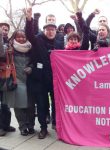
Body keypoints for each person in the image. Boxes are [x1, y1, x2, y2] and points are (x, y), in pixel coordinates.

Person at [25, 7, 64, 139]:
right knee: (41, 104)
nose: (50, 31)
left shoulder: (60, 41)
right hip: (40, 79)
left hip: (55, 79)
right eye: (48, 29)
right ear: (44, 30)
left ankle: (56, 124)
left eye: (52, 29)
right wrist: (29, 19)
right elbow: (29, 34)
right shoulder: (38, 39)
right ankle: (43, 128)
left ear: (56, 30)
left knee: (56, 103)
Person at [3, 30, 35, 136]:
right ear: (14, 38)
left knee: (30, 105)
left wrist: (31, 67)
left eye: (23, 37)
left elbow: (36, 60)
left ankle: (30, 125)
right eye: (18, 37)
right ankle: (22, 126)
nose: (21, 39)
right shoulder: (9, 48)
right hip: (17, 79)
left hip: (29, 79)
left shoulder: (31, 48)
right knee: (19, 105)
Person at [0, 23, 16, 136]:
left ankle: (6, 125)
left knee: (5, 102)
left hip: (6, 75)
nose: (5, 31)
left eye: (6, 29)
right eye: (3, 29)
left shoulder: (9, 42)